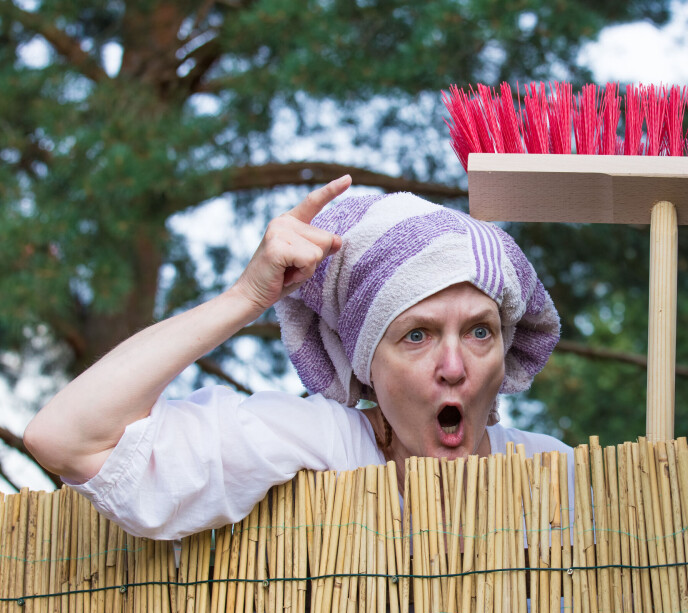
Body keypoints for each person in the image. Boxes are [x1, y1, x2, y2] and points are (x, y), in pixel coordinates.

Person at [24, 176, 571, 540]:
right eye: (416, 336)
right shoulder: (316, 444)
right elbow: (66, 438)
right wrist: (245, 298)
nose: (455, 367)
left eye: (480, 331)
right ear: (365, 367)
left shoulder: (565, 480)